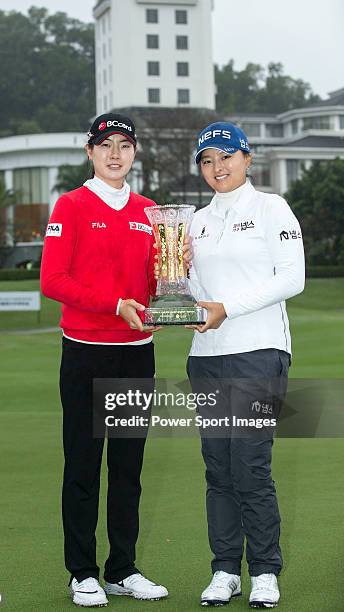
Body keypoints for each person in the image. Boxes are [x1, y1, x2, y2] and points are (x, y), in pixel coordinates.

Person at [40, 113, 168, 607]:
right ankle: (82, 572)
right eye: (105, 144)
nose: (115, 153)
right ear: (90, 153)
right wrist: (115, 305)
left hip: (136, 356)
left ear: (135, 153)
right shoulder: (70, 205)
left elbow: (158, 283)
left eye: (124, 145)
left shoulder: (151, 211)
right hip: (86, 352)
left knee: (128, 468)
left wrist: (169, 297)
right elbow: (54, 280)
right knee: (83, 465)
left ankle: (122, 568)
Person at [186, 122, 305, 608]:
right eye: (208, 160)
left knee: (251, 465)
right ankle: (223, 569)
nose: (218, 168)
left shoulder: (270, 207)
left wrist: (225, 309)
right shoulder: (192, 222)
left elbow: (292, 278)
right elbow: (191, 291)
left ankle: (265, 570)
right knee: (218, 468)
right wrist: (183, 286)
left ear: (247, 159)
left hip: (259, 351)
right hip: (207, 358)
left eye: (226, 157)